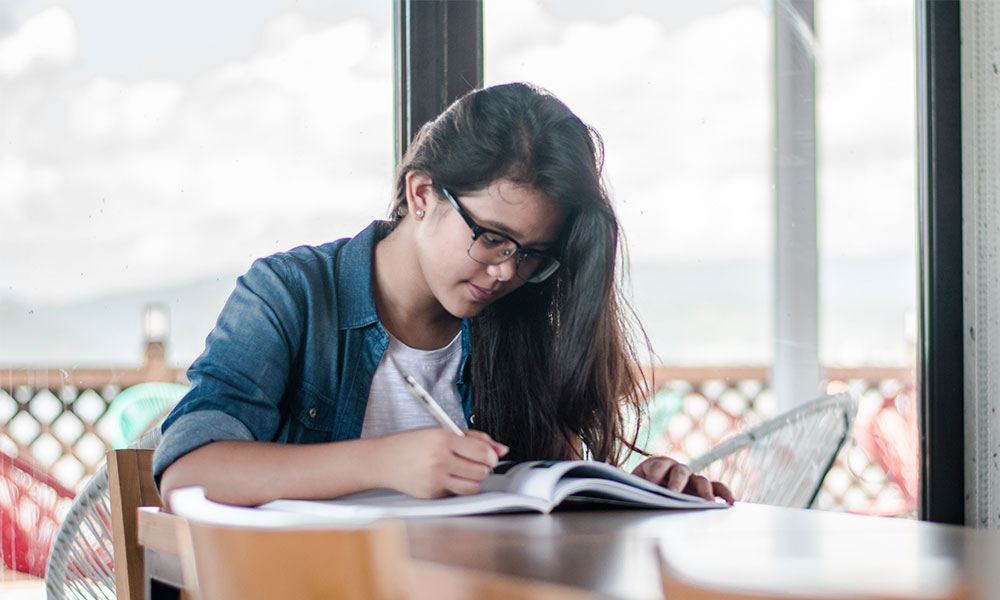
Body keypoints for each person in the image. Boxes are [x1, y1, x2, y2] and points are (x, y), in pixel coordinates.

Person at [155, 82, 735, 506]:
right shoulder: (291, 294)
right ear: (422, 193)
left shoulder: (517, 323)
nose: (507, 272)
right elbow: (189, 470)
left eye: (531, 253)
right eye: (493, 238)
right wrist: (385, 461)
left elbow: (546, 500)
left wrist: (638, 490)